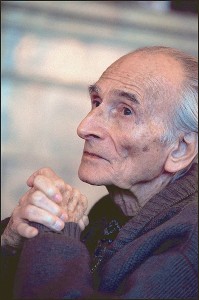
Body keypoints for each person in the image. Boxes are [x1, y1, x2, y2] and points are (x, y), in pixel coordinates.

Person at [1, 46, 198, 299]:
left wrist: (57, 232)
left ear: (180, 149)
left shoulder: (191, 240)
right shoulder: (109, 210)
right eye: (96, 102)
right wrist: (10, 245)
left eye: (126, 111)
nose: (84, 127)